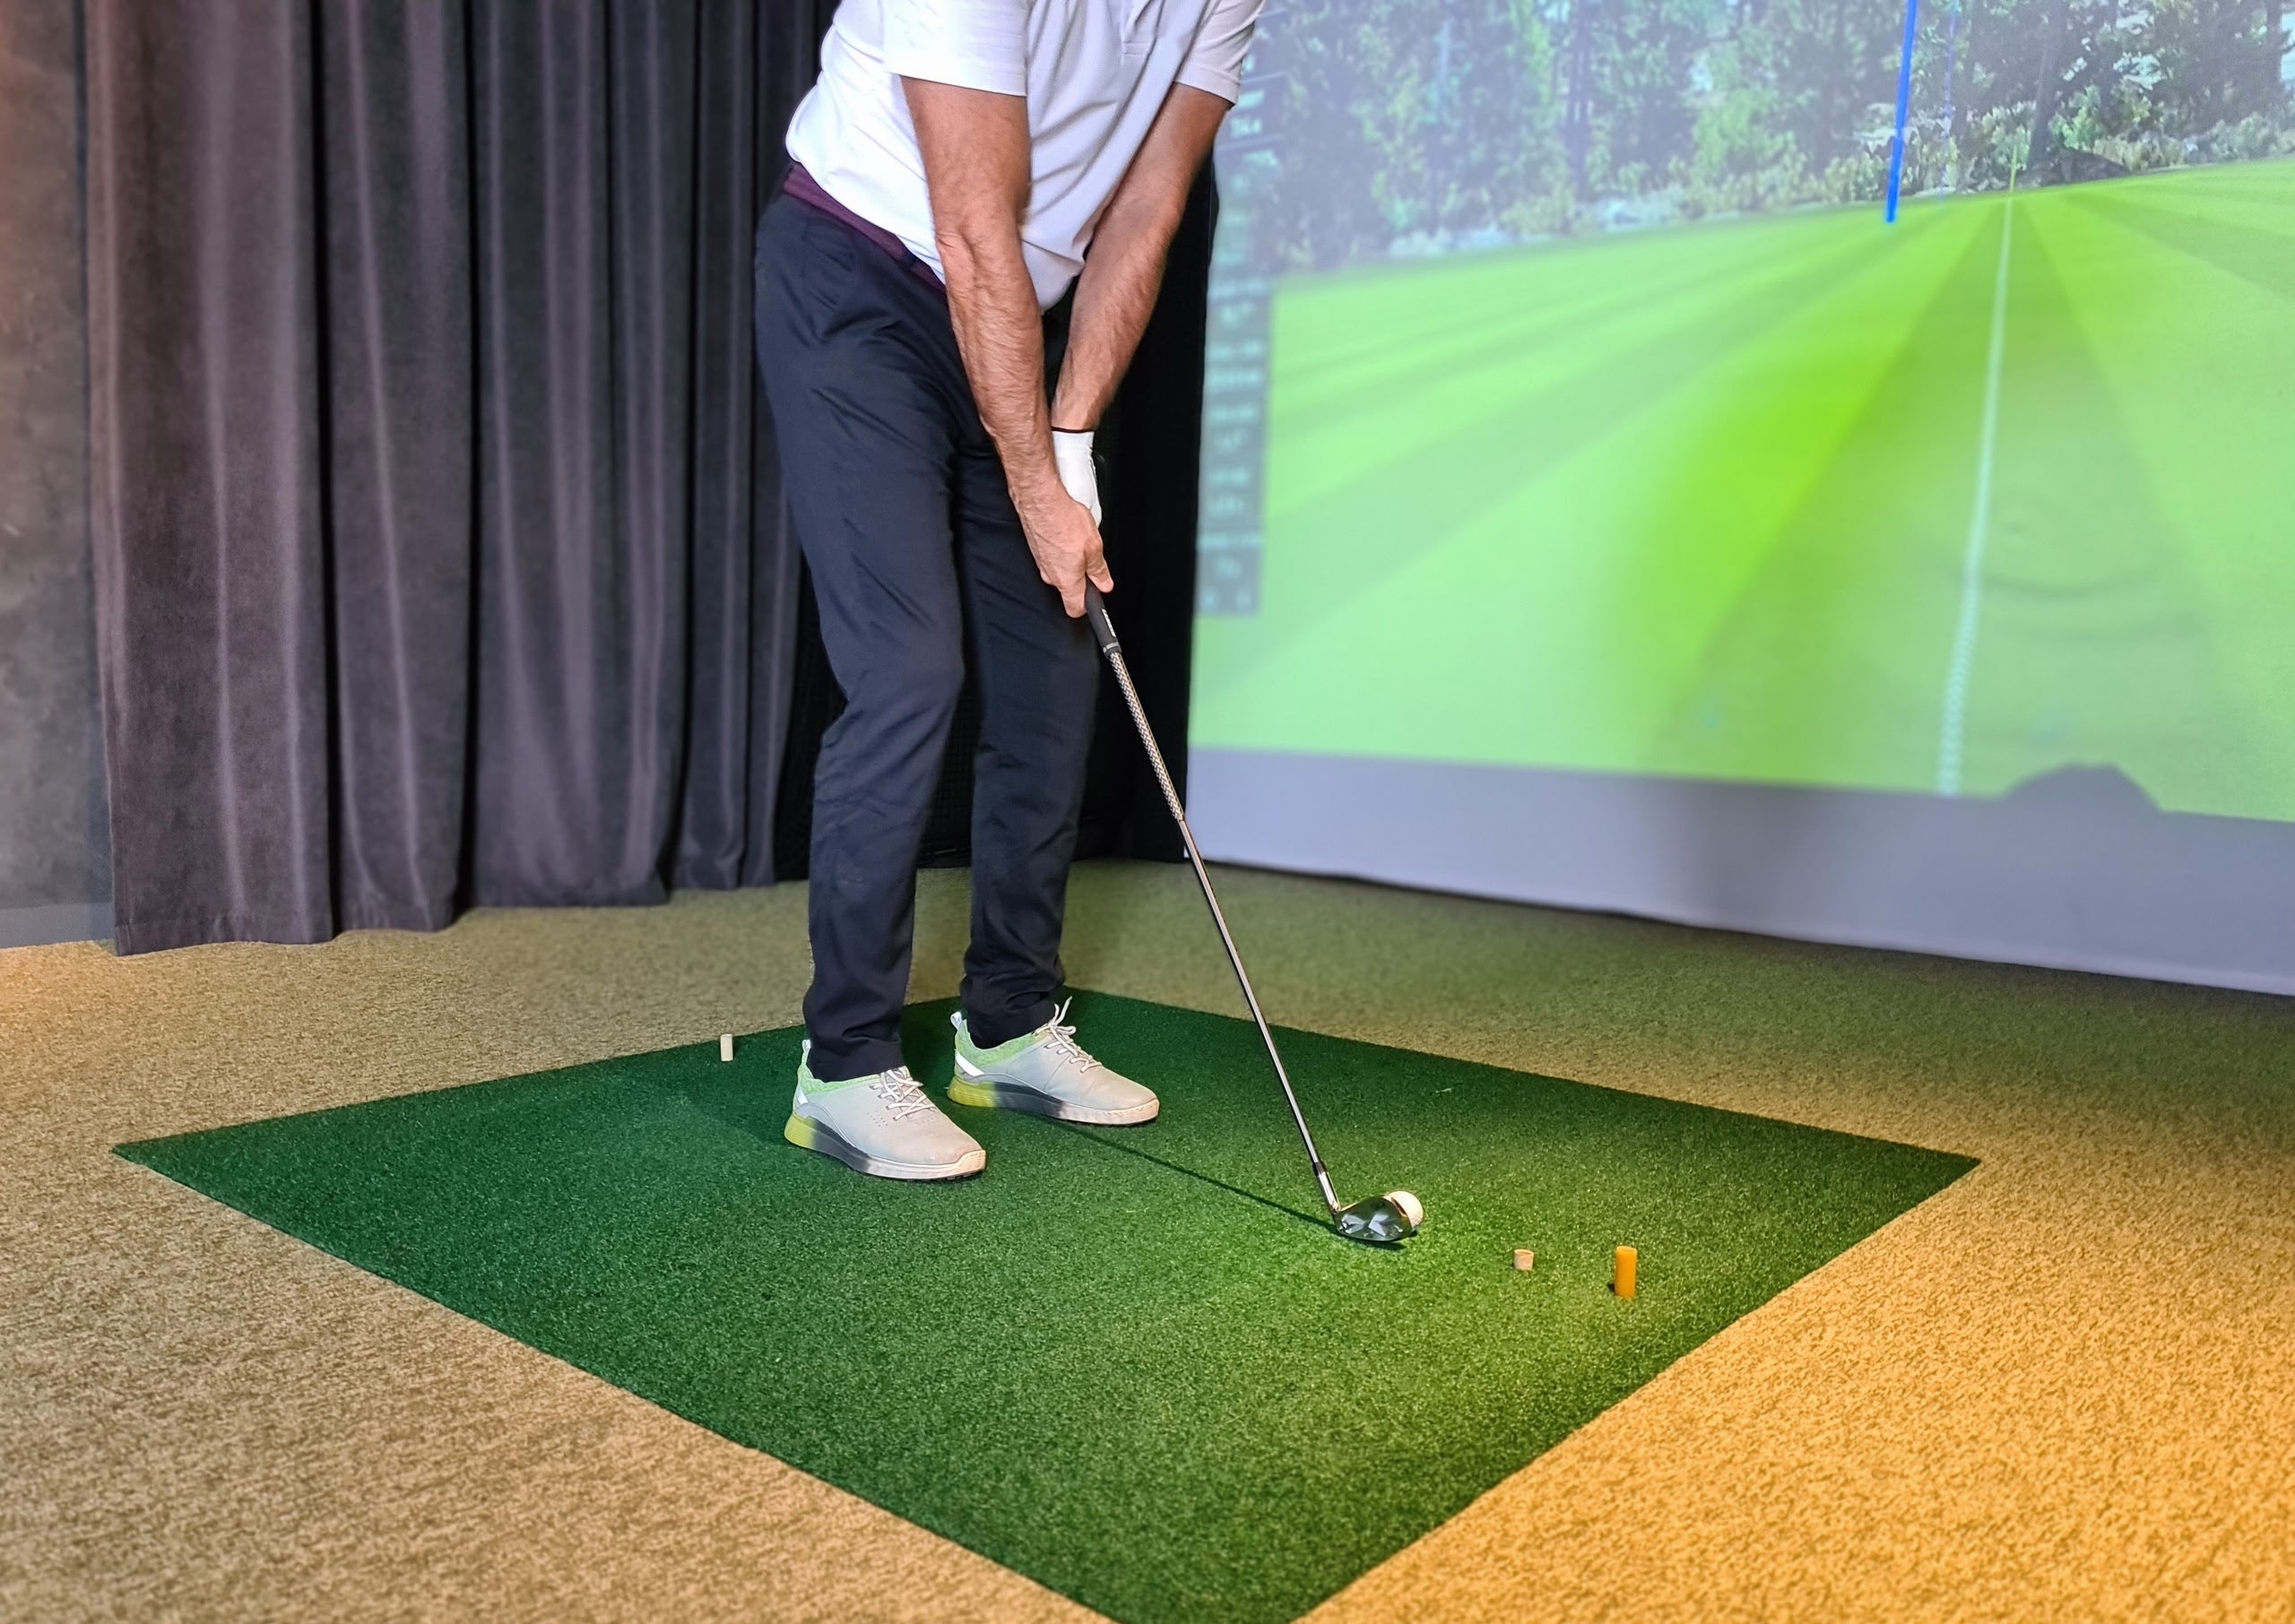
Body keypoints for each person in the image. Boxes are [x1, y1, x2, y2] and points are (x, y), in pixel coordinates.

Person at [757, 0, 1260, 1180]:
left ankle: (1009, 1025)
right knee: (908, 668)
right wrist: (1038, 484)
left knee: (1053, 670)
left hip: (1010, 315)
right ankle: (845, 1064)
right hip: (859, 275)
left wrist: (1069, 440)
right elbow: (974, 226)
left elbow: (1146, 210)